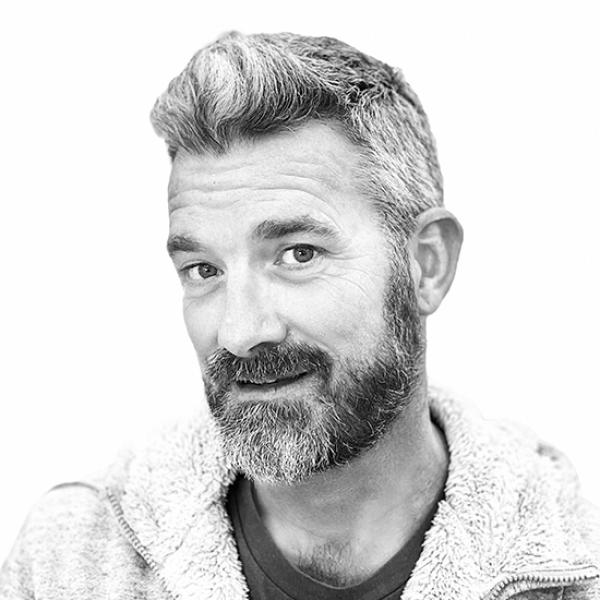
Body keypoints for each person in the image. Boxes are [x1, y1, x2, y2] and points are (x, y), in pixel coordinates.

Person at [1, 31, 598, 600]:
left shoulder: (579, 567)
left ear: (427, 264)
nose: (240, 332)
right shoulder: (73, 559)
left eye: (297, 255)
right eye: (204, 270)